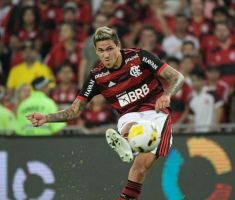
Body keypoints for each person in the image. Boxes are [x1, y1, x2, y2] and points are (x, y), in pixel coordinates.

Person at [26, 26, 184, 200]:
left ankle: (126, 145)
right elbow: (74, 111)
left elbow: (177, 77)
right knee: (130, 124)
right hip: (128, 116)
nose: (106, 55)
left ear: (118, 45)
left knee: (139, 170)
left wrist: (167, 95)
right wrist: (46, 118)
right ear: (96, 52)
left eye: (110, 49)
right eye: (101, 51)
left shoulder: (139, 57)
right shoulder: (97, 76)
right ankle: (124, 140)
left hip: (156, 112)